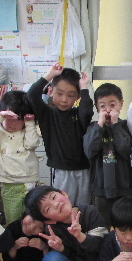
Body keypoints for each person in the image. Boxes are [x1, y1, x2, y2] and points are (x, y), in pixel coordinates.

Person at [27, 62, 94, 205]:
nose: (64, 99)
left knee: (83, 207)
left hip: (84, 169)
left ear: (77, 97)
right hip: (61, 170)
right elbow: (32, 94)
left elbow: (87, 110)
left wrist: (84, 88)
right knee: (62, 206)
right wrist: (50, 75)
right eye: (59, 93)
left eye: (70, 95)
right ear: (51, 91)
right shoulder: (47, 114)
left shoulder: (78, 114)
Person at [0, 90, 40, 224]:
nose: (13, 124)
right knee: (14, 218)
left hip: (29, 180)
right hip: (9, 182)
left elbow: (32, 143)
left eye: (18, 119)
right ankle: (15, 235)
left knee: (32, 216)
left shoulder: (25, 131)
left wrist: (30, 123)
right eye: (8, 118)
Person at [83, 82, 132, 228]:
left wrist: (115, 125)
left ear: (121, 104)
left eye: (112, 105)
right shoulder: (93, 128)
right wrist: (100, 125)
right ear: (97, 108)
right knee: (101, 226)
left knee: (125, 224)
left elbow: (125, 150)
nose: (107, 110)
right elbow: (89, 151)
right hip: (100, 188)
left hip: (124, 187)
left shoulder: (125, 126)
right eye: (102, 106)